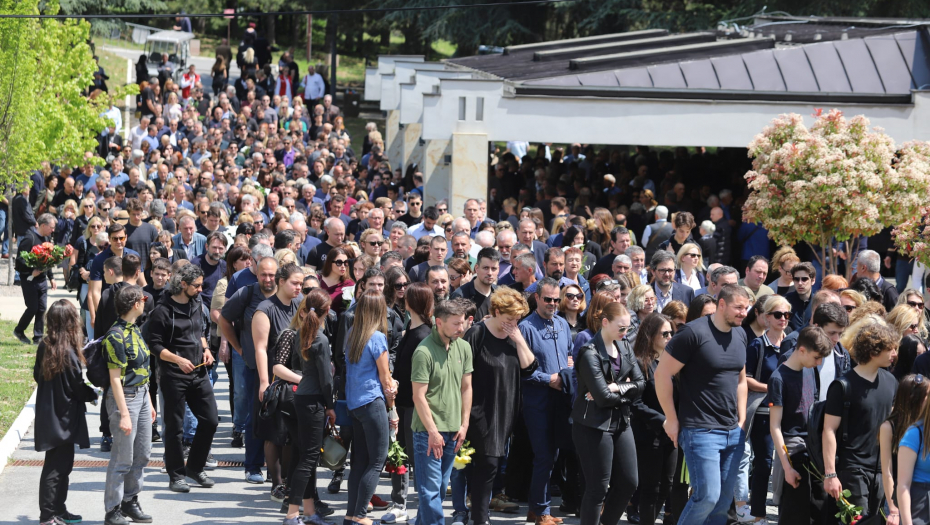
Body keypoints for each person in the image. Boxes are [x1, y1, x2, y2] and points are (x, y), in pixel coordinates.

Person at [655, 284, 752, 525]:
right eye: (738, 307)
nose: (744, 313)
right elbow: (662, 374)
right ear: (721, 304)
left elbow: (741, 380)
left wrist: (741, 421)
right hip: (700, 430)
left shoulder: (740, 333)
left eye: (746, 308)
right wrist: (672, 418)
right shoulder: (692, 333)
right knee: (707, 497)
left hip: (733, 432)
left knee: (721, 505)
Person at [461, 288, 537, 525]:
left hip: (506, 410)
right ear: (495, 312)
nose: (513, 323)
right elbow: (462, 373)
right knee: (488, 463)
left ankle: (477, 514)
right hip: (480, 409)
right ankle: (480, 518)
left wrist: (519, 339)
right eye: (509, 318)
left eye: (517, 319)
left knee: (489, 465)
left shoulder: (515, 336)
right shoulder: (477, 333)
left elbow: (530, 367)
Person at [148, 263, 218, 494]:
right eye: (196, 286)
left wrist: (206, 349)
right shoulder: (162, 310)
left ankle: (195, 468)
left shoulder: (197, 303)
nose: (201, 290)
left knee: (210, 420)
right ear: (183, 284)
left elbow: (200, 331)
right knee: (175, 427)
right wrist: (177, 360)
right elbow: (155, 345)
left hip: (198, 371)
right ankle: (176, 475)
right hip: (173, 375)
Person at [573, 302, 644, 525]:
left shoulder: (625, 348)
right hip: (593, 424)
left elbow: (642, 383)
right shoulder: (589, 352)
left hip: (621, 421)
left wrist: (616, 387)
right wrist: (627, 389)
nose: (625, 333)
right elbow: (602, 399)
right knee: (598, 487)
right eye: (621, 328)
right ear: (605, 323)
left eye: (628, 329)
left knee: (630, 482)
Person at [823, 323, 899, 523]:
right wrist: (830, 474)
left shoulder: (891, 382)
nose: (894, 353)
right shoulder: (843, 385)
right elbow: (829, 430)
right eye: (890, 348)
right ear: (874, 350)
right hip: (853, 469)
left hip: (882, 471)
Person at [34, 300, 97, 525]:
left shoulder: (45, 345)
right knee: (56, 468)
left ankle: (59, 509)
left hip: (49, 413)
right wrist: (92, 394)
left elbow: (36, 376)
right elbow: (77, 387)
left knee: (62, 465)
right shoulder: (69, 352)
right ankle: (48, 515)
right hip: (64, 416)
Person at [411, 298, 473, 525]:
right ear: (439, 322)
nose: (462, 327)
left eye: (463, 322)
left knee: (436, 489)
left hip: (454, 429)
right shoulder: (423, 352)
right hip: (428, 432)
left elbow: (467, 387)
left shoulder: (464, 347)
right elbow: (418, 396)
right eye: (456, 323)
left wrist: (464, 424)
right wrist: (433, 432)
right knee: (429, 492)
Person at [277, 289, 335, 525]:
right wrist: (331, 406)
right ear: (327, 311)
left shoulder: (302, 333)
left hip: (301, 397)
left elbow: (297, 366)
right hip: (313, 401)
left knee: (304, 455)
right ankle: (293, 514)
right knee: (308, 458)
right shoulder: (320, 338)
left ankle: (309, 512)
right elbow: (326, 379)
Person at [219, 256, 279, 484]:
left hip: (281, 368)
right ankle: (252, 466)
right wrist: (239, 348)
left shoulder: (286, 293)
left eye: (272, 274)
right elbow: (224, 319)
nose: (267, 279)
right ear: (256, 273)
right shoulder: (246, 293)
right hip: (254, 366)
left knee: (278, 419)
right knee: (256, 417)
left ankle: (276, 468)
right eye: (263, 274)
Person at [519, 277, 573, 525]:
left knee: (554, 455)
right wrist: (546, 378)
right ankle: (541, 511)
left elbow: (569, 354)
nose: (553, 303)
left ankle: (536, 508)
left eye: (556, 299)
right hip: (538, 400)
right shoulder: (526, 327)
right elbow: (521, 370)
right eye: (548, 299)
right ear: (537, 298)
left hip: (561, 399)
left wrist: (568, 368)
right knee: (544, 455)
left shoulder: (562, 324)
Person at [768, 326, 833, 525]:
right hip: (793, 451)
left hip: (813, 449)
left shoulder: (809, 370)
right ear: (802, 350)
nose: (819, 363)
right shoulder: (778, 378)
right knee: (794, 514)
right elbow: (775, 427)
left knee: (818, 511)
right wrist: (787, 467)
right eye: (816, 357)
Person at [102, 285, 156, 525]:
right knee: (123, 457)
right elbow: (115, 378)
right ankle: (112, 509)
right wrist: (123, 413)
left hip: (142, 396)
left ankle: (130, 501)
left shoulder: (135, 329)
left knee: (143, 454)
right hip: (125, 398)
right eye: (143, 299)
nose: (145, 302)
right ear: (136, 304)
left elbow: (143, 370)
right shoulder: (115, 335)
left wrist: (150, 402)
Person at [343, 290, 398, 525]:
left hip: (355, 403)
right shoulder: (376, 338)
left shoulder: (351, 334)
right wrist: (393, 409)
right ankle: (361, 516)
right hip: (372, 402)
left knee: (359, 462)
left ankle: (351, 515)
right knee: (376, 461)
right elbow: (387, 380)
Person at [254, 263, 305, 498]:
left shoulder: (299, 304)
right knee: (274, 434)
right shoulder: (265, 309)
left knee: (291, 436)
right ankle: (276, 483)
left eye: (301, 284)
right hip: (276, 379)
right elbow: (261, 349)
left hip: (296, 379)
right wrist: (265, 382)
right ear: (280, 281)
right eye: (295, 283)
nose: (298, 288)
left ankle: (288, 480)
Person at [743, 294, 793, 523]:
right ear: (766, 317)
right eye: (778, 314)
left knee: (790, 461)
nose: (783, 319)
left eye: (787, 315)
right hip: (764, 409)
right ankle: (758, 512)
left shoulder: (793, 344)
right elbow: (746, 379)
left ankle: (787, 510)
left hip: (789, 411)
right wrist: (773, 388)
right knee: (763, 462)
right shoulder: (756, 344)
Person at [631, 313, 676, 525]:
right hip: (649, 433)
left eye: (671, 333)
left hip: (672, 432)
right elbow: (635, 403)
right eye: (664, 333)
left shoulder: (673, 363)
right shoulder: (640, 363)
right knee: (650, 487)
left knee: (667, 485)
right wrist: (662, 420)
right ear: (651, 335)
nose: (670, 337)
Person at [878, 374, 929, 525]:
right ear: (915, 398)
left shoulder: (925, 426)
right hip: (898, 494)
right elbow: (887, 471)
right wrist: (893, 509)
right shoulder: (889, 427)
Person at [15, 213, 57, 344]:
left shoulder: (47, 239)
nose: (53, 230)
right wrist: (31, 271)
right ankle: (19, 330)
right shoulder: (29, 239)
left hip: (42, 280)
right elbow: (19, 261)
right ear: (43, 225)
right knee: (32, 307)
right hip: (29, 279)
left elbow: (48, 259)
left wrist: (51, 277)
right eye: (51, 227)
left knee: (42, 308)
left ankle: (38, 337)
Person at [451, 247, 500, 320]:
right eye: (486, 268)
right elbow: (454, 325)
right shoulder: (460, 295)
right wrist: (480, 326)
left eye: (493, 269)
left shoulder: (500, 294)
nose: (490, 273)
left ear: (498, 270)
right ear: (477, 268)